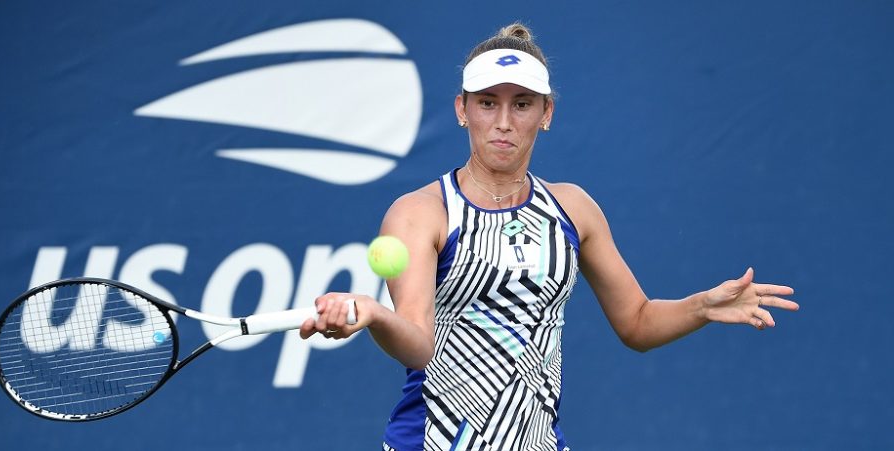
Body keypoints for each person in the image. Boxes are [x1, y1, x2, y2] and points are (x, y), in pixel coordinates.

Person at [299, 22, 799, 451]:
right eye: (487, 103)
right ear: (461, 109)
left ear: (547, 113)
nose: (502, 122)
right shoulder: (421, 213)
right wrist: (373, 314)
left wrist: (701, 307)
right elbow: (417, 344)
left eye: (521, 105)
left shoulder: (572, 208)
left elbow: (637, 323)